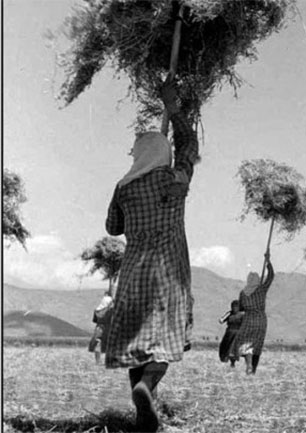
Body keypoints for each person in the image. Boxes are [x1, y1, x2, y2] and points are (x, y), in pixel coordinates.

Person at [103, 80, 198, 433]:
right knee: (163, 341)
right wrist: (172, 107)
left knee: (136, 341)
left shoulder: (123, 187)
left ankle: (143, 412)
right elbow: (189, 144)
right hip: (168, 271)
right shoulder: (176, 178)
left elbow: (113, 227)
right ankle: (146, 387)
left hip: (133, 272)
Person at [230, 253, 274, 375]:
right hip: (261, 320)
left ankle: (249, 364)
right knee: (257, 345)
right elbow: (271, 276)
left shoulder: (243, 293)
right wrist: (268, 262)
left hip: (248, 319)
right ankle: (253, 369)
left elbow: (241, 307)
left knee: (245, 342)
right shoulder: (261, 290)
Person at [88, 291, 114, 364]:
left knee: (98, 344)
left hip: (99, 328)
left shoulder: (97, 310)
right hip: (108, 328)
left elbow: (95, 320)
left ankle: (98, 361)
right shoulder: (110, 310)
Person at [218, 300, 244, 367]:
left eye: (236, 306)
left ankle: (233, 363)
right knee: (224, 347)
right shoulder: (229, 313)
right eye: (233, 306)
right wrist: (222, 318)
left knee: (233, 349)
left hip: (237, 333)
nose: (234, 308)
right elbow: (221, 320)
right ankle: (224, 360)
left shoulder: (242, 314)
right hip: (229, 333)